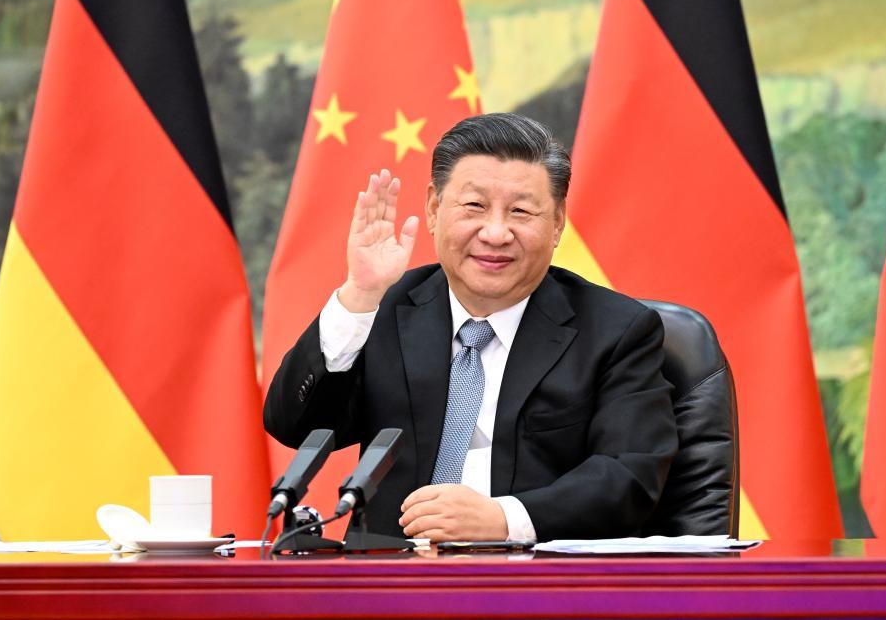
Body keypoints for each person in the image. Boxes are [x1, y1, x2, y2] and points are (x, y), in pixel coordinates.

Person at [264, 113, 677, 542]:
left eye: (521, 211)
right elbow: (294, 426)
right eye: (475, 206)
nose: (496, 233)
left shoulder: (616, 332)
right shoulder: (384, 309)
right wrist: (359, 295)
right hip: (390, 574)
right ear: (434, 209)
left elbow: (630, 475)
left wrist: (504, 519)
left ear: (557, 222)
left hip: (537, 575)